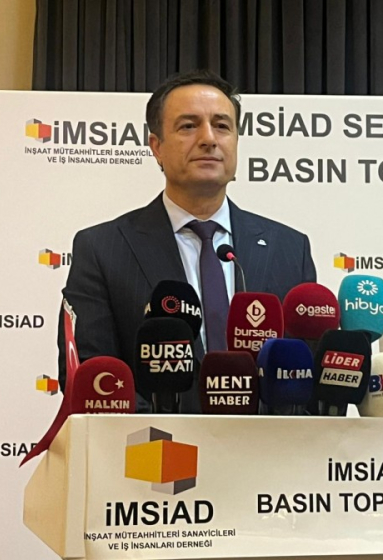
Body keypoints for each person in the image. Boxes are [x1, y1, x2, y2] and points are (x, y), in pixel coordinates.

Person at [58, 70, 316, 412]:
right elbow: (92, 377)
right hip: (152, 443)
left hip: (268, 443)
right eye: (188, 126)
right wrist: (173, 435)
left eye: (222, 126)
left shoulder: (290, 248)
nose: (209, 138)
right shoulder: (102, 249)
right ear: (156, 147)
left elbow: (306, 379)